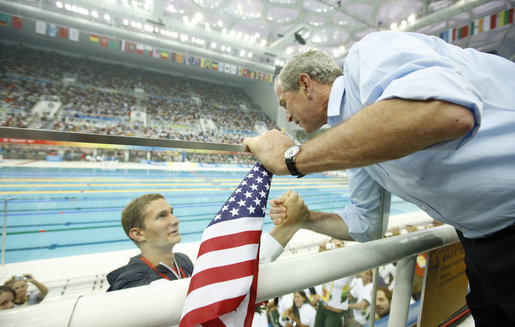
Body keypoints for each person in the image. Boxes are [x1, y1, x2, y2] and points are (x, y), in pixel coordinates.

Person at [244, 30, 515, 326]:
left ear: (306, 84)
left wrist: (291, 159)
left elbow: (446, 112)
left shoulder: (369, 53)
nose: (288, 118)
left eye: (286, 104)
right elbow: (367, 226)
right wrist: (307, 217)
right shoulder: (358, 142)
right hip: (482, 246)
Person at [107, 191, 309, 291]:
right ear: (138, 234)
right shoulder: (131, 283)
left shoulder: (182, 261)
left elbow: (213, 287)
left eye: (172, 212)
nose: (175, 220)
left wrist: (289, 226)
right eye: (162, 216)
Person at [311, 239, 353, 327]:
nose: (335, 248)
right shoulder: (327, 264)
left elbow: (361, 271)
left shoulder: (349, 265)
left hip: (335, 313)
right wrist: (321, 252)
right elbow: (314, 269)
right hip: (322, 307)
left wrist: (345, 253)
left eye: (338, 245)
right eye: (333, 246)